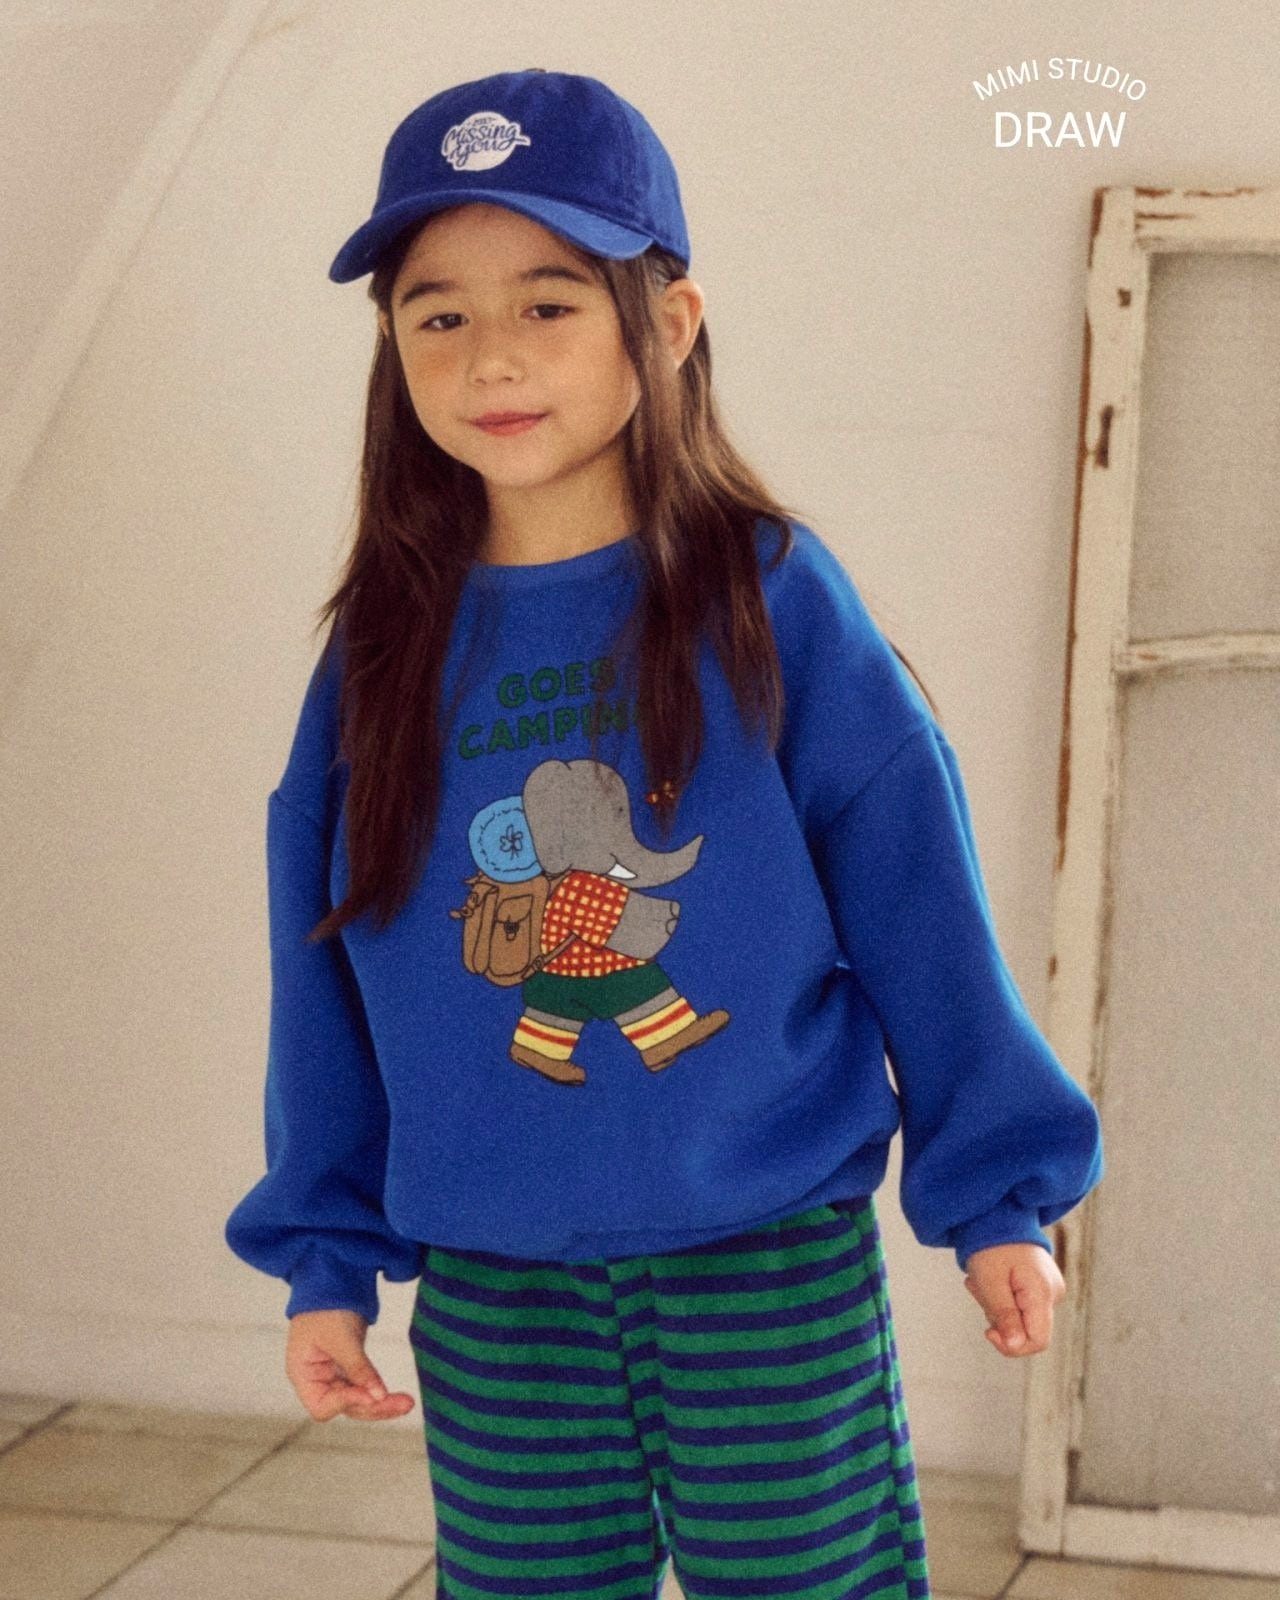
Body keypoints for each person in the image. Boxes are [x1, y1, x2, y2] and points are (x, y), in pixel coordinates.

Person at [224, 67, 1104, 1600]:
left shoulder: (771, 600)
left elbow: (920, 908)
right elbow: (327, 971)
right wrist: (324, 1255)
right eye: (438, 315)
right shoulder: (380, 646)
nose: (492, 355)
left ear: (671, 321)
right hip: (496, 1291)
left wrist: (998, 1192)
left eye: (549, 303)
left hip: (766, 1258)